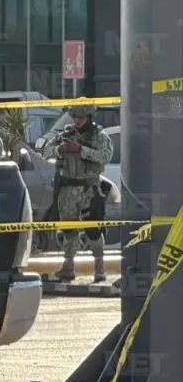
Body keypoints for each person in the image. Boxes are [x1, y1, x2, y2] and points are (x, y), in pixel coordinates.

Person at [43, 104, 113, 282]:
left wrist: (81, 150)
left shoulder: (99, 136)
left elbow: (105, 156)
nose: (77, 121)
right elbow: (45, 152)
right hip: (67, 190)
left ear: (89, 117)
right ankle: (68, 267)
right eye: (75, 118)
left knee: (94, 230)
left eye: (81, 118)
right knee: (69, 230)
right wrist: (60, 150)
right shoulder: (65, 135)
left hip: (89, 188)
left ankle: (99, 268)